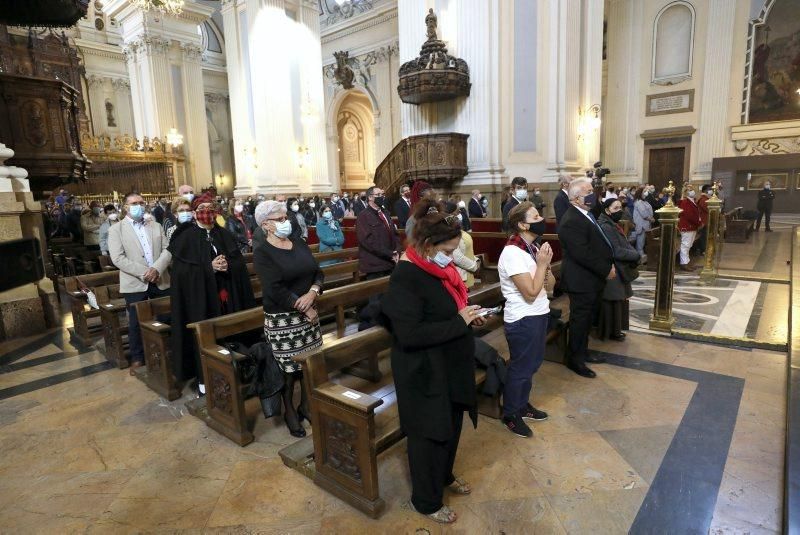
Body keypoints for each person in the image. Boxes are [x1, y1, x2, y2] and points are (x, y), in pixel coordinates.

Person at [379, 209, 487, 524]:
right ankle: (425, 501)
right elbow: (409, 335)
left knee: (451, 424)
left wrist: (467, 313)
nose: (452, 258)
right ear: (427, 245)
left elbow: (446, 311)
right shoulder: (406, 276)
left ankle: (444, 474)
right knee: (429, 433)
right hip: (422, 370)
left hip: (448, 362)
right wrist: (459, 321)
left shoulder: (437, 270)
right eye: (447, 251)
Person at [168, 192, 256, 394]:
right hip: (201, 300)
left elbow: (238, 263)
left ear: (216, 211)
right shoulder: (185, 237)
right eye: (201, 209)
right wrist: (209, 268)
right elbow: (182, 273)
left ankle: (237, 372)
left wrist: (228, 265)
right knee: (206, 339)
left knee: (231, 332)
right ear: (194, 212)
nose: (206, 212)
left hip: (227, 298)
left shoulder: (223, 234)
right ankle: (205, 380)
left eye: (210, 208)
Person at [253, 200, 324, 438]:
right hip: (284, 320)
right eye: (281, 219)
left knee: (308, 365)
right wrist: (302, 306)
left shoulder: (299, 243)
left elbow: (318, 272)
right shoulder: (262, 252)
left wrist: (313, 292)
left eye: (286, 218)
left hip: (309, 316)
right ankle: (290, 410)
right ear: (266, 225)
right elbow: (274, 288)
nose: (287, 222)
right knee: (289, 369)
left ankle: (305, 404)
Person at [498, 202, 553, 437]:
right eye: (536, 216)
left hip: (539, 314)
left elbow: (549, 287)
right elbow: (530, 293)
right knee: (521, 368)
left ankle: (522, 405)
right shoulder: (512, 252)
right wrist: (541, 264)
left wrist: (546, 266)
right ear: (522, 224)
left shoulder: (532, 248)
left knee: (532, 365)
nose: (542, 219)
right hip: (523, 318)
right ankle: (510, 413)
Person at [107, 192, 171, 375]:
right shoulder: (116, 230)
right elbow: (118, 258)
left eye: (141, 202)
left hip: (160, 279)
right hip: (135, 282)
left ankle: (168, 350)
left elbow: (168, 250)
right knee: (136, 321)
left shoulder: (156, 226)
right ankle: (138, 357)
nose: (139, 205)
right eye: (134, 203)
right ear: (126, 207)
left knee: (167, 316)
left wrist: (156, 269)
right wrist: (145, 273)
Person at [557, 178, 614, 378]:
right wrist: (606, 269)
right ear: (574, 198)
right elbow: (582, 253)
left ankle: (583, 351)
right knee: (580, 321)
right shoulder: (571, 220)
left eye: (592, 190)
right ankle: (574, 360)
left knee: (588, 319)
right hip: (581, 281)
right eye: (588, 192)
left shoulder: (586, 213)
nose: (592, 194)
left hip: (591, 279)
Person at [597, 199, 640, 341]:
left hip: (619, 265)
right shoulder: (606, 225)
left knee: (617, 298)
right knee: (612, 299)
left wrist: (633, 254)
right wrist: (636, 255)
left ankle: (615, 331)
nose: (619, 211)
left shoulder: (611, 223)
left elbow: (624, 243)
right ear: (607, 210)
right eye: (615, 208)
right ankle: (609, 332)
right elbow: (616, 250)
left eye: (620, 207)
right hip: (613, 266)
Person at [357, 186, 398, 281]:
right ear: (370, 197)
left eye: (382, 194)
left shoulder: (386, 213)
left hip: (390, 262)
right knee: (377, 295)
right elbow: (367, 241)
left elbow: (394, 234)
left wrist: (397, 251)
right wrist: (389, 253)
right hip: (375, 265)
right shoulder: (363, 216)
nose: (381, 197)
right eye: (378, 195)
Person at [444, 202, 480, 288]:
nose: (460, 213)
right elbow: (456, 256)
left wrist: (476, 259)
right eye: (457, 211)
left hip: (468, 273)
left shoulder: (456, 227)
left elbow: (466, 249)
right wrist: (474, 266)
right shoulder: (449, 231)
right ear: (451, 213)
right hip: (461, 276)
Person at [678, 184, 701, 272]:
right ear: (686, 192)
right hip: (687, 226)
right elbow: (689, 216)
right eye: (690, 190)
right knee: (685, 245)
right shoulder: (685, 202)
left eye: (692, 189)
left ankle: (686, 262)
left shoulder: (692, 201)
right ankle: (684, 263)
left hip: (692, 226)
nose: (692, 191)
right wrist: (698, 223)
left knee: (689, 245)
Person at [630, 186, 655, 261]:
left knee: (644, 241)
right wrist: (651, 219)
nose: (646, 192)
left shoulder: (645, 201)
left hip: (647, 224)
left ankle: (642, 255)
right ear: (640, 193)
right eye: (644, 191)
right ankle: (640, 256)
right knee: (640, 241)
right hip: (641, 225)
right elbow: (644, 214)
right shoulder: (638, 202)